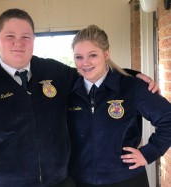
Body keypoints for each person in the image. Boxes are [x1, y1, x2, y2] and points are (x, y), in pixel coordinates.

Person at [0, 9, 159, 187]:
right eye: (10, 36)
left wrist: (130, 75)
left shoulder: (53, 72)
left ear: (33, 40)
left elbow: (90, 72)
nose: (18, 43)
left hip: (61, 181)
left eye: (25, 37)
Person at [67, 25, 171, 187]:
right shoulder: (68, 90)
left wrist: (149, 153)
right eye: (79, 57)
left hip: (126, 179)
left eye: (92, 55)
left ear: (106, 54)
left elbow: (168, 118)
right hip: (81, 180)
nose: (85, 63)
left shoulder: (132, 87)